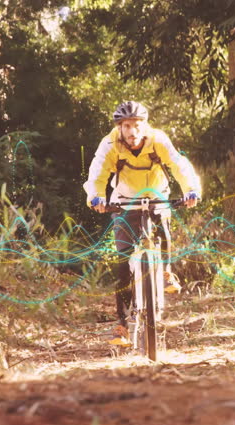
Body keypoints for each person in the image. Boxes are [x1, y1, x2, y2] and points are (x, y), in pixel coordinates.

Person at [84, 100, 201, 347]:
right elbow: (97, 173)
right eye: (127, 125)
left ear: (144, 125)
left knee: (163, 225)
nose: (132, 131)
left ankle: (167, 272)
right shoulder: (109, 144)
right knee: (123, 262)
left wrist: (191, 190)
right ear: (120, 127)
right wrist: (96, 198)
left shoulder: (158, 139)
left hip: (157, 195)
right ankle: (122, 325)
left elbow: (179, 165)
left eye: (137, 125)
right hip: (125, 202)